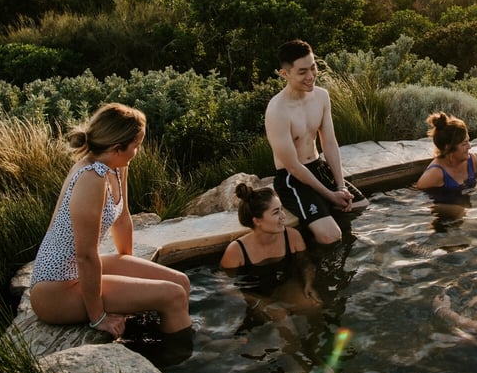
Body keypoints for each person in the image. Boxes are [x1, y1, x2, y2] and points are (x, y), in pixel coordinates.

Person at [29, 103, 192, 341]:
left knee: (181, 282)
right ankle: (181, 356)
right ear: (117, 148)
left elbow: (122, 218)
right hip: (56, 290)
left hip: (77, 272)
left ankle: (172, 331)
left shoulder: (116, 166)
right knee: (173, 295)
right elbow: (86, 256)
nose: (138, 151)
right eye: (136, 145)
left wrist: (131, 273)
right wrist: (98, 317)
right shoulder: (91, 178)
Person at [265, 39, 368, 245]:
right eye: (302, 72)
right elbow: (293, 167)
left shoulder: (321, 96)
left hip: (318, 167)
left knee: (361, 206)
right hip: (292, 179)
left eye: (313, 68)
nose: (311, 76)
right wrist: (330, 195)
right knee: (330, 237)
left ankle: (325, 216)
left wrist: (340, 186)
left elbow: (329, 143)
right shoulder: (277, 110)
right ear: (284, 74)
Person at [219, 184, 321, 319]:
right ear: (257, 221)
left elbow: (305, 263)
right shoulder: (236, 250)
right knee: (281, 318)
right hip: (253, 294)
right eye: (276, 212)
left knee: (312, 306)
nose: (283, 216)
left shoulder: (292, 236)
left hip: (283, 286)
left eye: (281, 209)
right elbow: (224, 286)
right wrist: (255, 301)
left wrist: (308, 283)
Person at [416, 111, 477, 191]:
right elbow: (420, 195)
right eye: (464, 144)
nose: (469, 147)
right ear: (448, 148)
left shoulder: (472, 161)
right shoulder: (435, 173)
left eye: (468, 141)